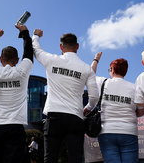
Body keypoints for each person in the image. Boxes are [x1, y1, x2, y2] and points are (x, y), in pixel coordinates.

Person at [32, 29, 99, 163]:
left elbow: (36, 49)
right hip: (75, 117)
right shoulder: (87, 69)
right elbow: (94, 97)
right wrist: (88, 108)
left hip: (54, 116)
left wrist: (36, 36)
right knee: (76, 158)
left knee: (50, 157)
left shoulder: (52, 60)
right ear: (77, 47)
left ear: (61, 47)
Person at [0, 24, 34, 163]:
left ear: (0, 59)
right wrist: (25, 32)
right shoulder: (22, 72)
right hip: (15, 127)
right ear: (17, 60)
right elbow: (28, 52)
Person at [90, 52, 142, 163]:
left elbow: (90, 74)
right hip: (129, 131)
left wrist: (96, 59)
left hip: (107, 131)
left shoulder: (103, 83)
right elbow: (142, 110)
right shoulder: (134, 88)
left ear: (112, 69)